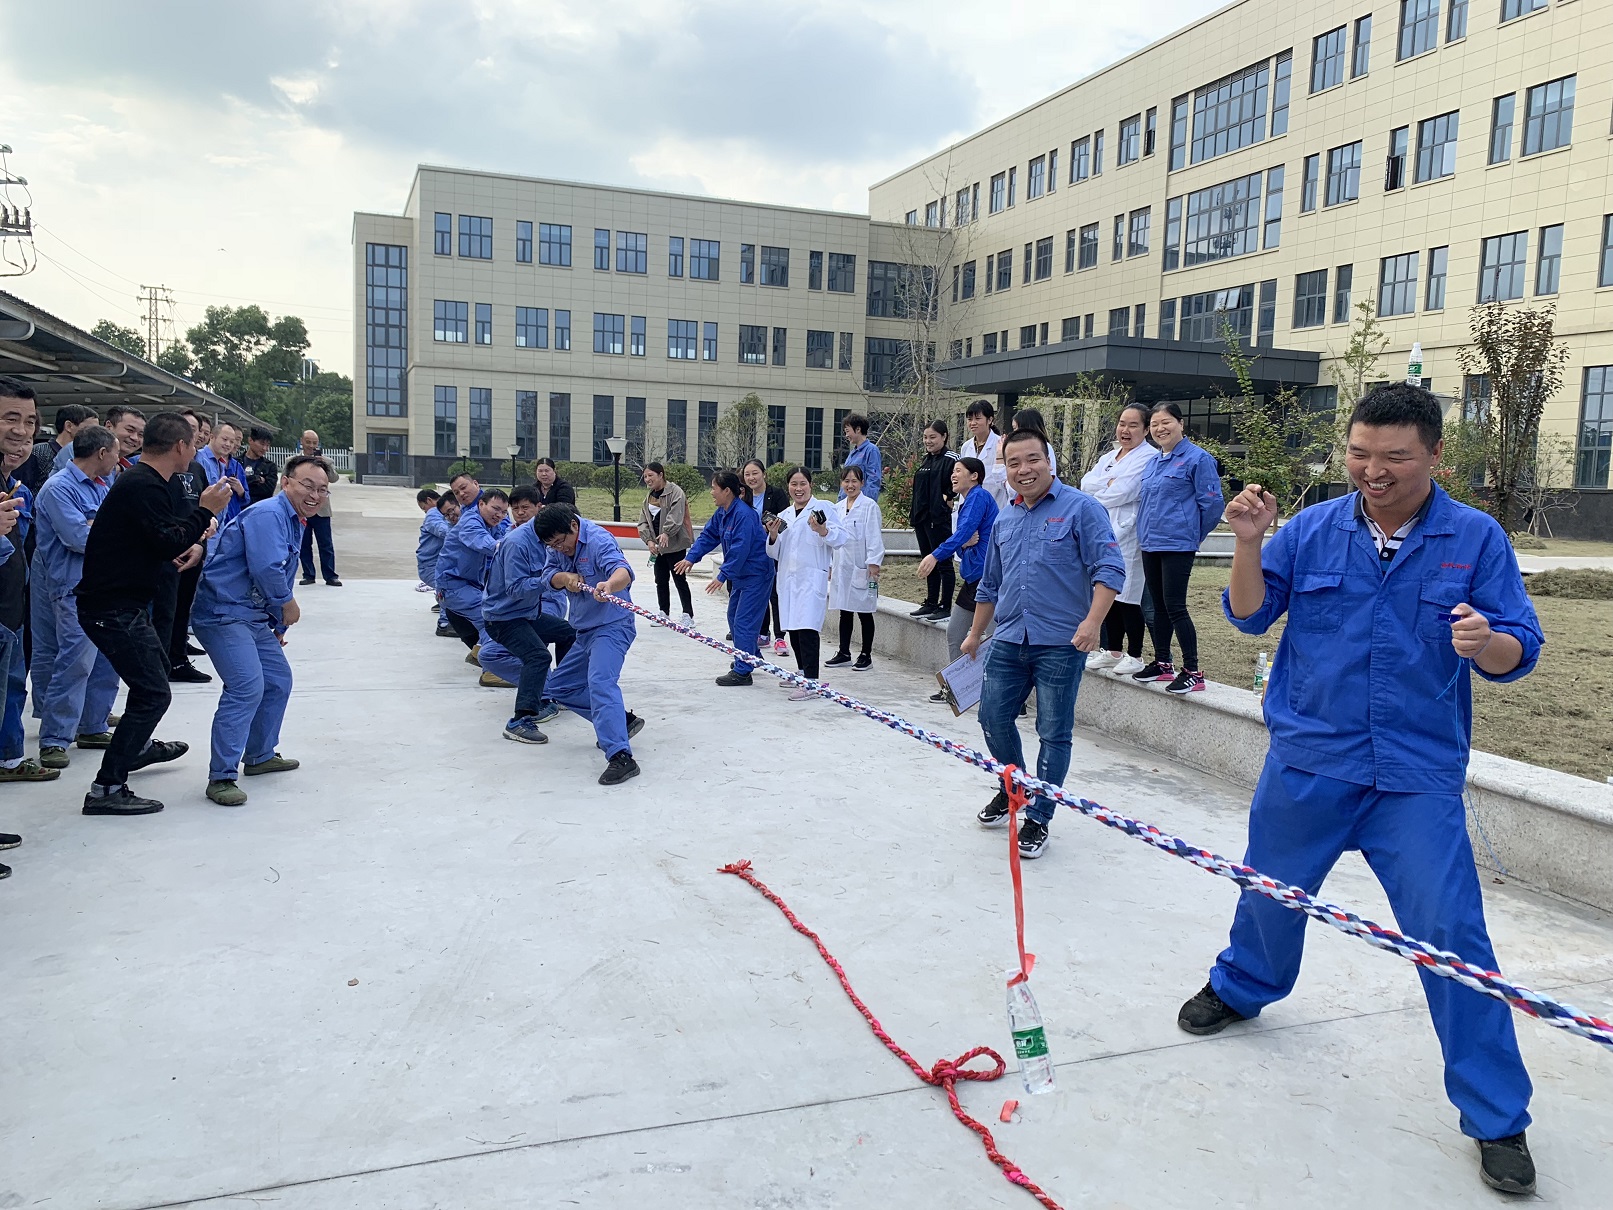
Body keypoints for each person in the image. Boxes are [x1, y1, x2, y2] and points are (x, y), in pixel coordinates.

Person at [1179, 384, 1544, 1197]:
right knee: (1269, 893)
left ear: (1434, 456)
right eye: (1358, 453)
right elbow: (1248, 616)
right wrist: (1247, 542)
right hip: (1310, 761)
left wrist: (1483, 641)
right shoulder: (1311, 529)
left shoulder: (1473, 538)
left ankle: (1496, 1115)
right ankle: (1241, 986)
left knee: (1451, 937)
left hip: (1413, 778)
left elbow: (1518, 650)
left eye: (1394, 458)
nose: (1372, 471)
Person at [961, 428, 1124, 859]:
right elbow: (989, 585)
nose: (1023, 470)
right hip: (1008, 639)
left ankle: (1039, 817)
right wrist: (975, 634)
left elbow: (1110, 569)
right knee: (992, 718)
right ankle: (1014, 787)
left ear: (1048, 461)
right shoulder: (1005, 518)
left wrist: (1092, 623)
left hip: (1061, 644)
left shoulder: (1082, 509)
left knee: (1053, 732)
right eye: (1013, 462)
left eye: (1032, 459)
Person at [76, 411, 233, 815]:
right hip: (112, 608)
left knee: (153, 676)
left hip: (121, 604)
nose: (195, 451)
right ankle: (107, 788)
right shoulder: (144, 484)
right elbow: (166, 539)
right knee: (153, 692)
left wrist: (192, 540)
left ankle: (136, 748)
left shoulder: (145, 482)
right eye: (193, 443)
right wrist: (206, 510)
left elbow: (160, 536)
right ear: (180, 446)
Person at [190, 456, 331, 806]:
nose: (315, 495)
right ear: (286, 482)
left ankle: (259, 755)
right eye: (308, 486)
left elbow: (281, 570)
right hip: (224, 612)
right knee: (246, 687)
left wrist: (277, 624)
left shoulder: (294, 518)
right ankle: (221, 776)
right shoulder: (269, 514)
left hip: (252, 616)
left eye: (322, 489)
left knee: (277, 680)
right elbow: (268, 568)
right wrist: (286, 605)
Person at [534, 504, 644, 785]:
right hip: (584, 629)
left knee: (600, 682)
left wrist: (609, 585)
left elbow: (623, 571)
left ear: (574, 526)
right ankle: (621, 721)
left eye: (561, 542)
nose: (560, 548)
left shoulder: (598, 540)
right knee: (561, 687)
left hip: (612, 625)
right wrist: (564, 578)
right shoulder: (556, 546)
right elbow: (548, 575)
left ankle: (621, 756)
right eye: (552, 545)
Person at [33, 425, 121, 770]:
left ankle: (93, 726)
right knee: (75, 662)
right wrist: (108, 530)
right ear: (102, 453)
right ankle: (55, 738)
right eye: (116, 453)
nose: (118, 460)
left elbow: (104, 529)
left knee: (107, 659)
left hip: (105, 585)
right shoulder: (58, 489)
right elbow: (78, 539)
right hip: (74, 587)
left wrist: (97, 526)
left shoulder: (103, 485)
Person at [1134, 401, 1224, 694]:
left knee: (1175, 606)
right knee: (1158, 606)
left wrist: (1192, 535)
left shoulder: (1198, 459)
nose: (1160, 429)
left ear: (1181, 424)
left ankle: (1193, 671)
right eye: (1154, 425)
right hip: (1151, 542)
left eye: (1166, 422)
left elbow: (1212, 504)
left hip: (1177, 545)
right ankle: (1163, 663)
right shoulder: (1154, 462)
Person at [482, 498, 577, 743]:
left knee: (568, 632)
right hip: (503, 618)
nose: (559, 545)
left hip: (527, 613)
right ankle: (520, 721)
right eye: (557, 540)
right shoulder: (517, 543)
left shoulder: (544, 537)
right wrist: (554, 580)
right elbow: (515, 589)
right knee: (537, 656)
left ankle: (564, 690)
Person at [0, 377, 54, 784]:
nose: (22, 431)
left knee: (12, 688)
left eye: (30, 421)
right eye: (9, 418)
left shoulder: (15, 485)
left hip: (12, 612)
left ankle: (9, 758)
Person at [1080, 403, 1159, 678]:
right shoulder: (1109, 456)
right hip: (1104, 529)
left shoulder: (1148, 457)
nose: (1125, 430)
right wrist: (1109, 483)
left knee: (1129, 597)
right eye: (1122, 424)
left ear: (1146, 430)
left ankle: (1135, 654)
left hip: (1128, 532)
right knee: (1108, 590)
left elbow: (1124, 492)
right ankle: (1112, 650)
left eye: (1133, 425)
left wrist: (1105, 486)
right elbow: (1085, 484)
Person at [676, 469, 774, 686]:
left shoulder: (744, 515)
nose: (711, 492)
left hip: (756, 575)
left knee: (744, 621)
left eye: (714, 488)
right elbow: (708, 536)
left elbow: (740, 549)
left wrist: (722, 575)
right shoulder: (723, 512)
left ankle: (743, 672)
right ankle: (750, 656)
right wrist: (691, 558)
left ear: (727, 491)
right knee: (733, 618)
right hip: (741, 576)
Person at [919, 455, 999, 696]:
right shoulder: (966, 502)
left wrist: (935, 555)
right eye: (953, 471)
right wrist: (964, 545)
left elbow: (964, 533)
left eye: (958, 471)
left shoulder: (979, 497)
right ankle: (956, 689)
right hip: (973, 580)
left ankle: (1007, 696)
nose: (953, 475)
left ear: (974, 476)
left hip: (988, 579)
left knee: (997, 638)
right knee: (954, 632)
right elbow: (964, 542)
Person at [764, 467, 846, 700]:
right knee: (793, 626)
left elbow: (841, 539)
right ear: (788, 486)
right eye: (794, 484)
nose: (798, 489)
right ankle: (801, 673)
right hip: (788, 579)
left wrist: (823, 530)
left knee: (807, 629)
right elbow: (774, 552)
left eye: (802, 484)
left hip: (811, 579)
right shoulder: (785, 515)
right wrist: (772, 535)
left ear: (810, 485)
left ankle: (812, 682)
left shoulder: (824, 508)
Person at [157, 410, 215, 685]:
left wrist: (205, 531)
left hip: (195, 547)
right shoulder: (157, 470)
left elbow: (204, 505)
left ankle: (178, 658)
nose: (193, 433)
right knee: (163, 610)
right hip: (168, 549)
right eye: (187, 427)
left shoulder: (197, 469)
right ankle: (161, 663)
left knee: (183, 608)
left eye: (196, 429)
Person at [437, 488, 510, 655]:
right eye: (495, 509)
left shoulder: (490, 524)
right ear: (481, 504)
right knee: (492, 618)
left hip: (470, 585)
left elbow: (504, 538)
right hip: (454, 586)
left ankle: (482, 653)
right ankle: (491, 662)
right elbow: (489, 545)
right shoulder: (471, 522)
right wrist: (517, 548)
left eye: (504, 512)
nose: (499, 515)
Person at [826, 465, 885, 671]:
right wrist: (830, 565)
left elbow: (874, 537)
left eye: (854, 481)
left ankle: (866, 655)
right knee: (845, 611)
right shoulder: (837, 508)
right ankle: (844, 652)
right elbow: (832, 538)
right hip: (842, 567)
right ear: (841, 483)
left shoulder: (869, 506)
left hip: (863, 567)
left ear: (862, 483)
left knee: (864, 611)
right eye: (846, 481)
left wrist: (874, 563)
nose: (850, 485)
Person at [908, 420, 959, 621]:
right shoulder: (926, 460)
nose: (928, 441)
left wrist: (947, 498)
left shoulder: (951, 458)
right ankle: (930, 602)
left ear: (944, 436)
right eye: (925, 437)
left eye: (932, 437)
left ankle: (945, 605)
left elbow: (958, 481)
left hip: (938, 520)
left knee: (943, 562)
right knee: (929, 562)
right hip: (922, 519)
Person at [742, 459, 789, 653]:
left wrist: (766, 529)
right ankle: (762, 633)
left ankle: (780, 637)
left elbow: (785, 523)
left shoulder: (776, 494)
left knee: (775, 594)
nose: (751, 478)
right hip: (753, 553)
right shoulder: (744, 497)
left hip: (774, 549)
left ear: (764, 474)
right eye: (747, 474)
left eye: (755, 473)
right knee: (758, 593)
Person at [638, 462, 694, 625]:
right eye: (645, 476)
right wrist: (649, 540)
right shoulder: (649, 497)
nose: (647, 479)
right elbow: (643, 520)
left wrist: (666, 532)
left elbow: (675, 516)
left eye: (650, 475)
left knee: (679, 579)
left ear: (661, 475)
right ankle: (663, 613)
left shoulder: (675, 492)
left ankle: (688, 615)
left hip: (675, 545)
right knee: (660, 580)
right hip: (658, 547)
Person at [297, 430, 340, 587]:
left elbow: (334, 478)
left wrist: (324, 465)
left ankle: (330, 576)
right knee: (304, 544)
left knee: (325, 544)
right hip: (302, 508)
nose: (311, 446)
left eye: (314, 443)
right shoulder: (294, 461)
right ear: (302, 442)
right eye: (308, 442)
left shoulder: (326, 461)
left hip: (321, 509)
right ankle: (308, 574)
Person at [21, 403, 96, 490]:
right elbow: (22, 486)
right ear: (69, 426)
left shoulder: (86, 457)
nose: (96, 434)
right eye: (90, 429)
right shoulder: (39, 452)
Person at [196, 420, 249, 523]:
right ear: (212, 437)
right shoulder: (199, 459)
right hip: (205, 523)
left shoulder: (221, 464)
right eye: (224, 439)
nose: (228, 444)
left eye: (232, 442)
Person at [960, 399, 1008, 507]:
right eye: (969, 419)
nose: (973, 423)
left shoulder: (1000, 444)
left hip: (995, 503)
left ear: (990, 420)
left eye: (978, 419)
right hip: (970, 504)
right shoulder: (966, 447)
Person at [839, 413, 883, 500]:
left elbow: (873, 480)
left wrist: (867, 503)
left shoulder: (871, 450)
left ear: (858, 429)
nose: (846, 435)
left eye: (847, 431)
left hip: (861, 503)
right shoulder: (852, 454)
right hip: (846, 503)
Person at [415, 489, 448, 592]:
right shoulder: (433, 513)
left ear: (429, 500)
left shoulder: (434, 512)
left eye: (423, 508)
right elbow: (443, 531)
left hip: (433, 565)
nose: (425, 512)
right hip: (432, 565)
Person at [239, 425, 279, 504]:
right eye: (262, 444)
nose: (265, 448)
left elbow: (268, 491)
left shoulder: (270, 466)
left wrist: (242, 487)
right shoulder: (236, 462)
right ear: (250, 440)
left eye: (267, 445)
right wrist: (257, 479)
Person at [104, 405, 146, 475]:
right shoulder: (89, 462)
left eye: (141, 434)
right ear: (109, 427)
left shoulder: (133, 470)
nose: (135, 438)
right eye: (130, 430)